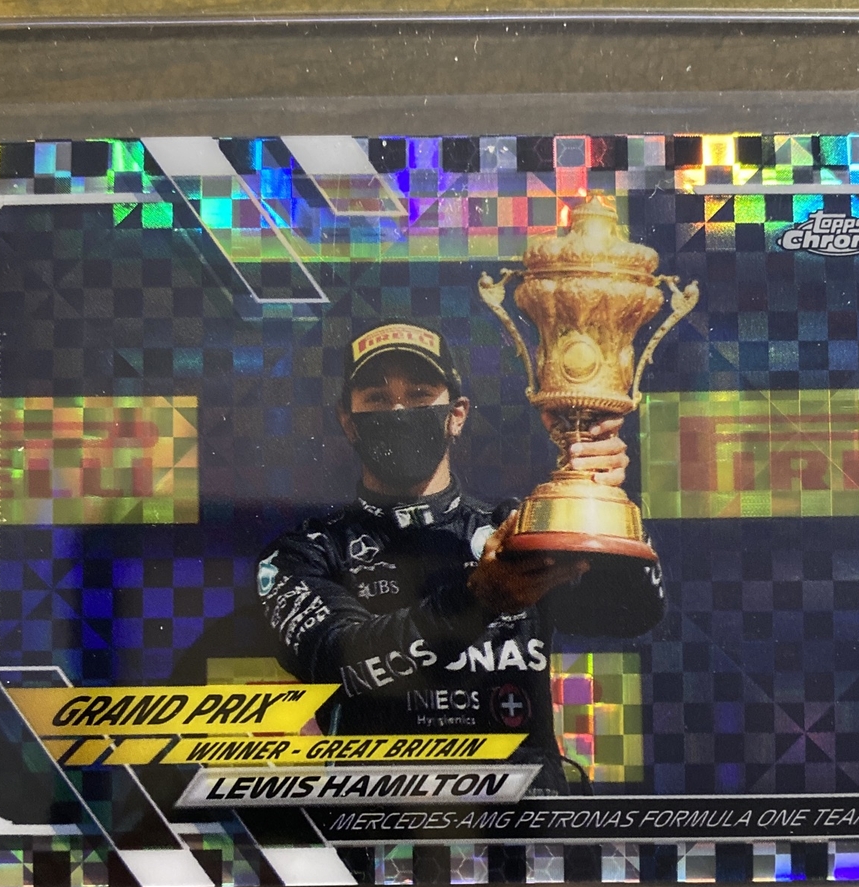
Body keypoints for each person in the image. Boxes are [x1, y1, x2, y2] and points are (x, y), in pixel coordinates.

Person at [250, 320, 666, 792]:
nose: (400, 411)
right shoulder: (306, 552)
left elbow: (633, 610)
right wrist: (478, 601)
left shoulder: (519, 528)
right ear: (348, 420)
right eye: (378, 399)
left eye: (421, 394)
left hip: (521, 821)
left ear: (457, 414)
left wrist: (600, 500)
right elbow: (340, 661)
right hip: (380, 821)